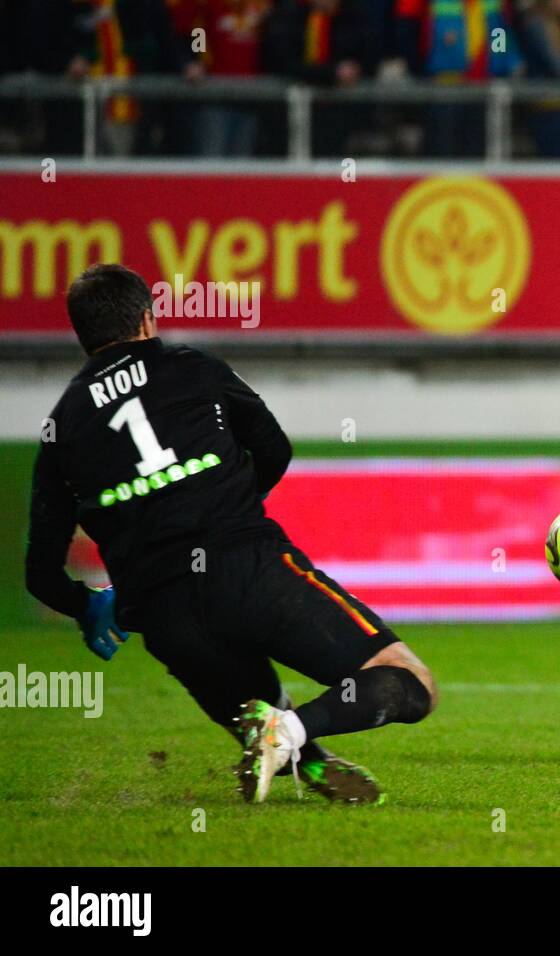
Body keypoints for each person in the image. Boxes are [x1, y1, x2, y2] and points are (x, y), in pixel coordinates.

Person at [25, 264, 437, 804]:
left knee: (254, 701)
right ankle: (292, 733)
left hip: (160, 612)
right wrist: (224, 505)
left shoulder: (62, 425)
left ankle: (292, 747)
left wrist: (89, 606)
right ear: (147, 319)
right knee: (408, 681)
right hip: (247, 569)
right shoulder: (192, 368)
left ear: (82, 336)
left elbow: (39, 574)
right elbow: (274, 450)